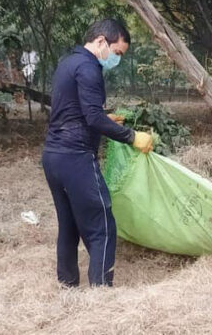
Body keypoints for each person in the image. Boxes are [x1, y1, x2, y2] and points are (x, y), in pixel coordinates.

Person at [42, 18, 153, 287]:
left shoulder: (68, 62)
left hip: (52, 156)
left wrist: (106, 117)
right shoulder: (90, 68)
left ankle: (67, 284)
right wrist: (131, 136)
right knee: (101, 225)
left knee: (68, 226)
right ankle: (101, 291)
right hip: (75, 157)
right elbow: (91, 118)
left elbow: (75, 108)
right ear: (102, 41)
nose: (116, 60)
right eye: (117, 53)